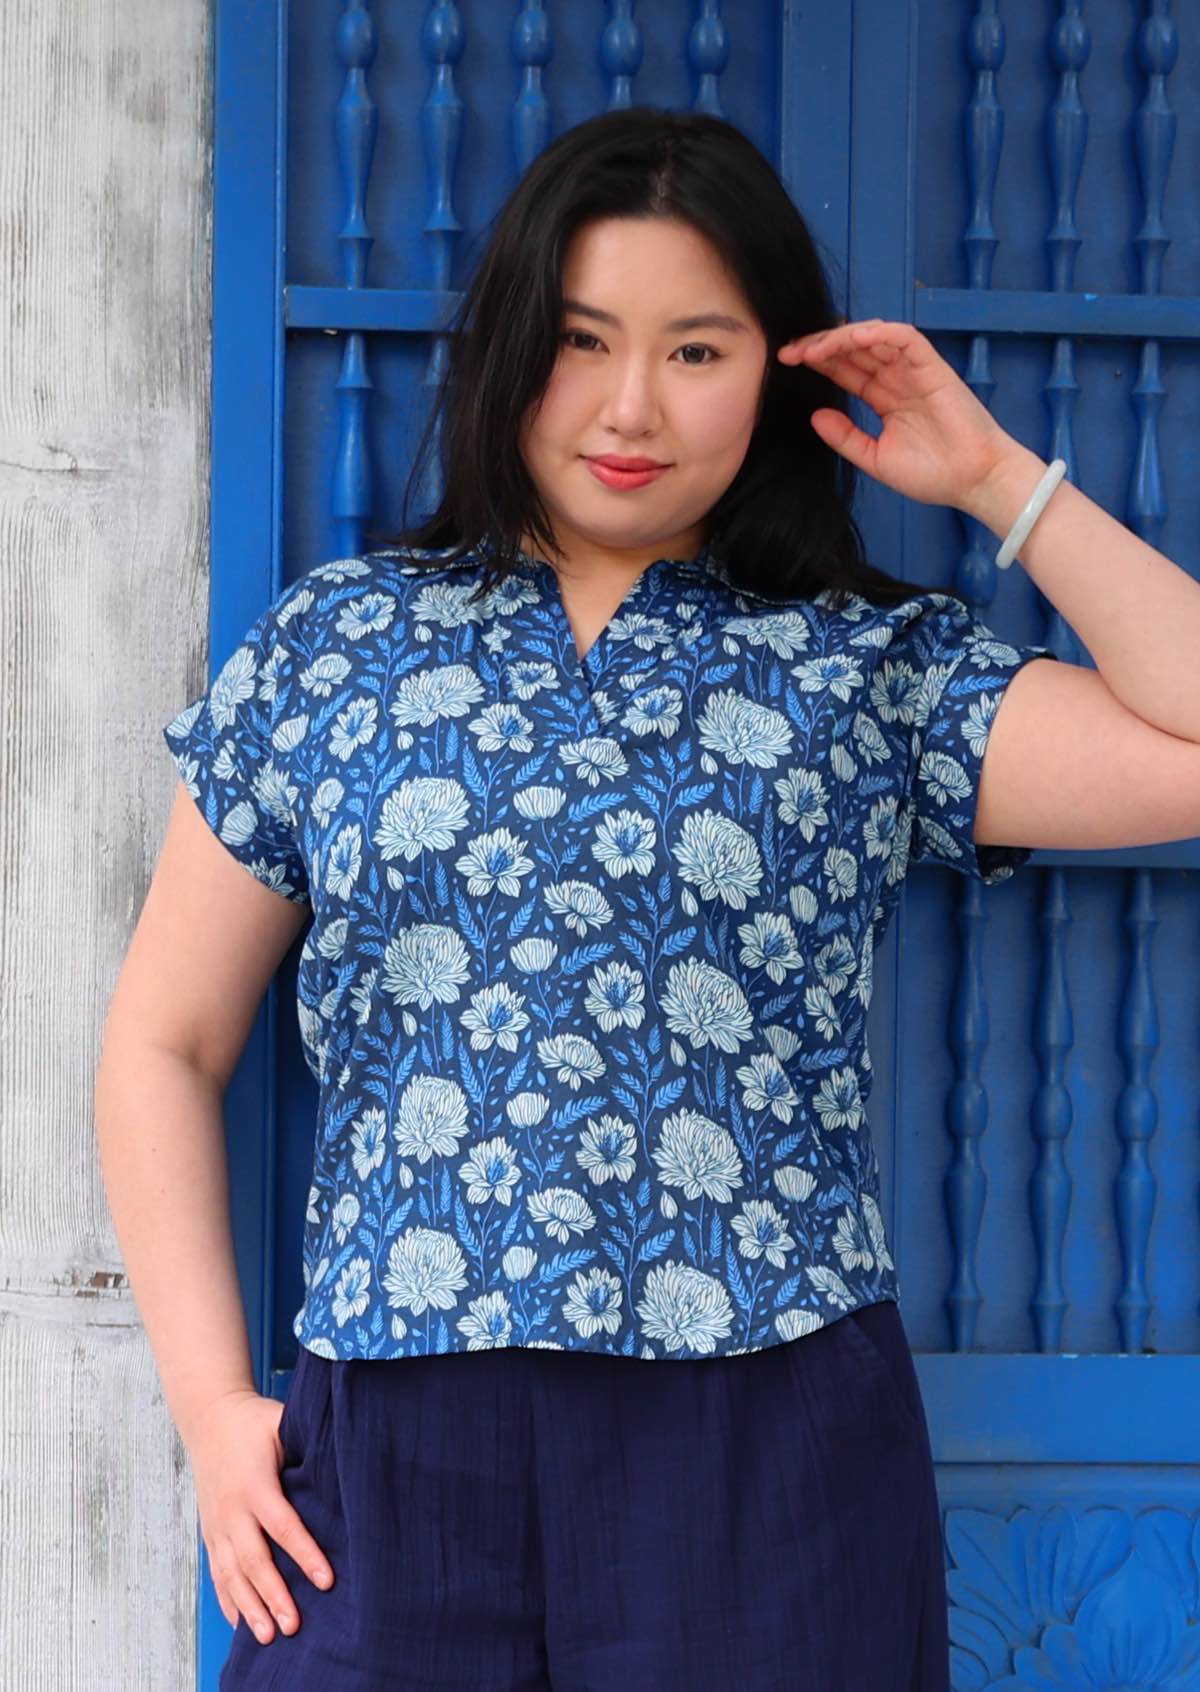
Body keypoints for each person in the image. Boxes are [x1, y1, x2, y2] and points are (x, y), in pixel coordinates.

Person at [94, 107, 1200, 1692]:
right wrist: (211, 1414)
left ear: (777, 372)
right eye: (580, 340)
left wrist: (998, 481)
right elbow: (165, 1042)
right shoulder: (342, 646)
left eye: (697, 350)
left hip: (765, 1439)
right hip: (397, 1435)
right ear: (506, 351)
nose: (629, 408)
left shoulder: (865, 670)